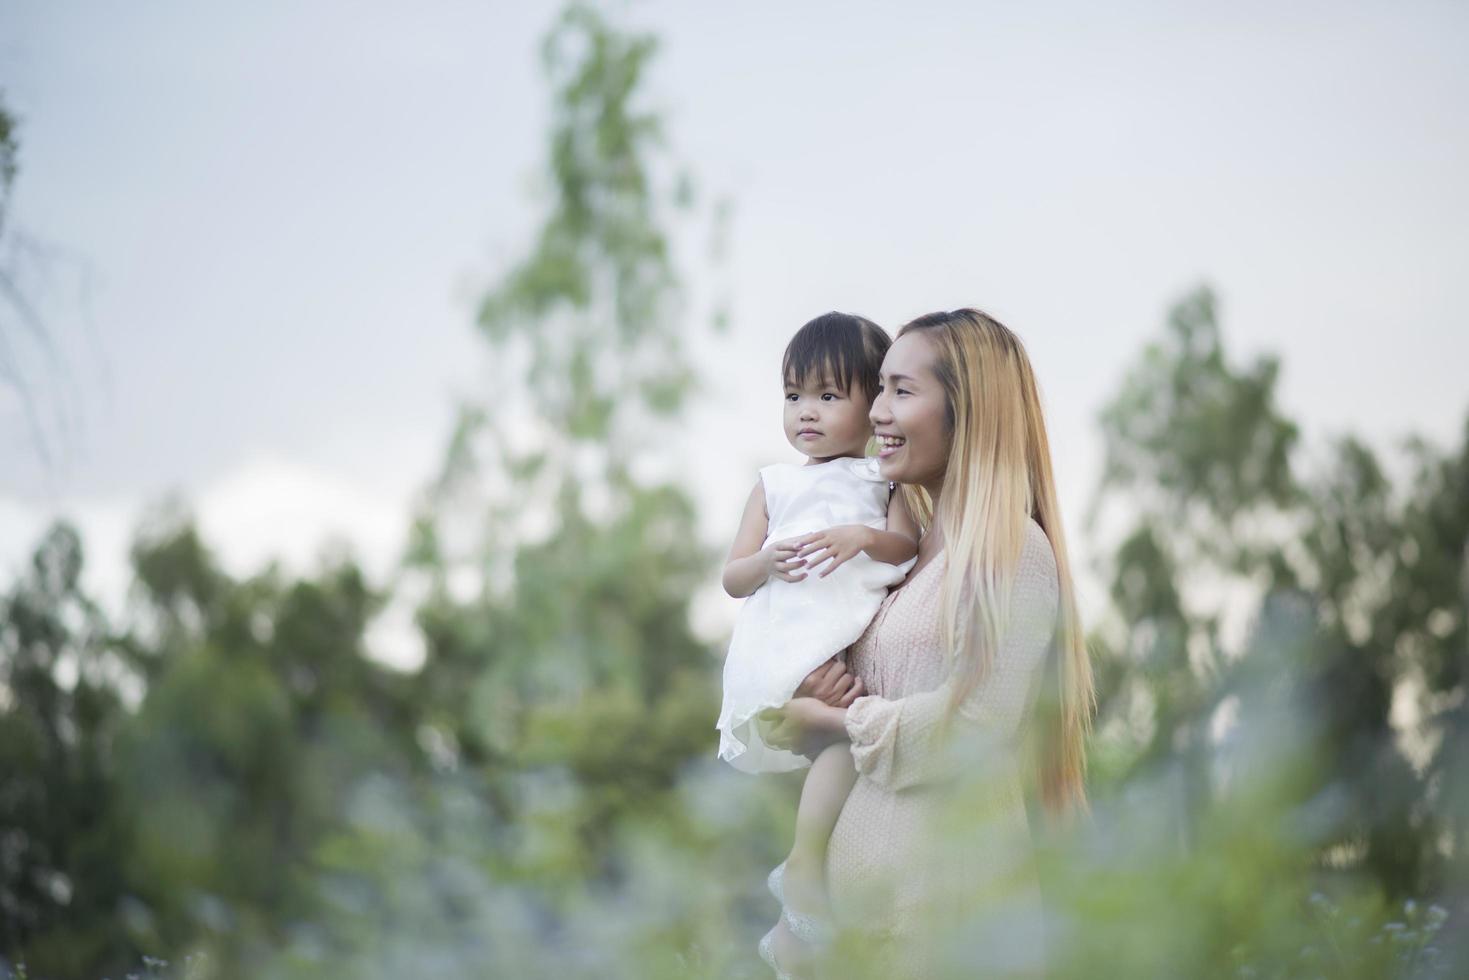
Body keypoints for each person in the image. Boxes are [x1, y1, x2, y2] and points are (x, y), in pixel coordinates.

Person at [761, 308, 1095, 979]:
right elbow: (869, 707)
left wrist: (833, 718)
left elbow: (974, 727)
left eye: (901, 391)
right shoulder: (903, 558)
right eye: (879, 387)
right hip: (862, 933)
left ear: (967, 410)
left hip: (943, 924)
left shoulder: (1010, 549)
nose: (876, 410)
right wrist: (803, 696)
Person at [713, 312, 919, 972]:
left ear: (873, 406)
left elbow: (907, 544)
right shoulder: (775, 485)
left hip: (837, 651)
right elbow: (732, 576)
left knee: (845, 747)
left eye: (829, 396)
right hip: (784, 651)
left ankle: (800, 912)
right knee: (846, 738)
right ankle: (802, 870)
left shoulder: (883, 484)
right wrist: (769, 563)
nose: (807, 412)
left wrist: (862, 537)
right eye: (794, 394)